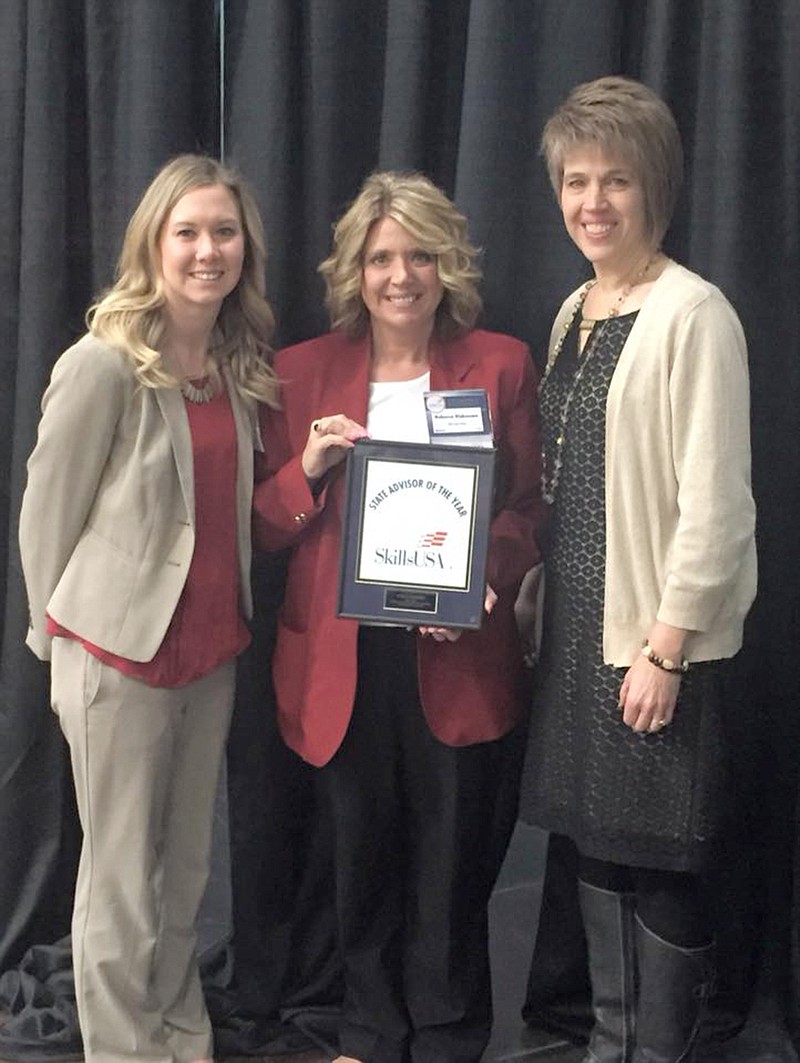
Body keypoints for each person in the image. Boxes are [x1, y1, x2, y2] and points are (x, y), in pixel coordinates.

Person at [252, 170, 544, 1063]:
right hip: (341, 660)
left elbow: (528, 509)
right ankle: (370, 1032)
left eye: (419, 253)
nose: (401, 275)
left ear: (447, 263)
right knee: (359, 856)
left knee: (449, 860)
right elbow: (261, 524)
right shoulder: (300, 372)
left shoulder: (500, 363)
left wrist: (482, 579)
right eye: (381, 257)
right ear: (355, 269)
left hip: (453, 650)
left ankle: (452, 1036)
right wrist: (307, 469)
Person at [18, 154, 279, 1063]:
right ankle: (124, 1049)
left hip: (210, 653)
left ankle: (180, 1033)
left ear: (244, 247)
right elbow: (44, 514)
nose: (208, 250)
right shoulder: (103, 362)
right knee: (123, 879)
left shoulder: (235, 362)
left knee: (187, 873)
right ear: (154, 244)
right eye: (189, 232)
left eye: (224, 231)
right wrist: (56, 646)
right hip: (115, 660)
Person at [518, 76, 757, 1062]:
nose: (591, 201)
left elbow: (716, 505)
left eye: (614, 179)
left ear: (651, 186)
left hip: (651, 643)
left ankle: (651, 1053)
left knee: (658, 858)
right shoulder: (574, 309)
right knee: (594, 847)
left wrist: (664, 647)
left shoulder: (692, 313)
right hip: (575, 638)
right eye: (575, 180)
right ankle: (606, 1044)